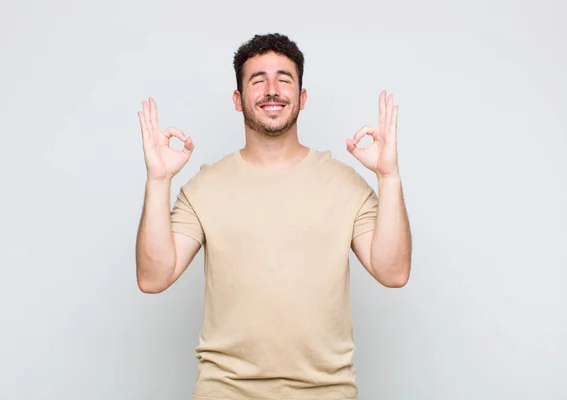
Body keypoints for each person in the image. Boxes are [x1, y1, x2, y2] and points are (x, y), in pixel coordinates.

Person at [135, 33, 412, 400]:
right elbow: (153, 278)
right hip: (225, 392)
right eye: (257, 79)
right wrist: (158, 180)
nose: (272, 89)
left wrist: (389, 177)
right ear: (238, 99)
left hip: (326, 392)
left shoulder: (346, 185)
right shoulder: (204, 187)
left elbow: (393, 272)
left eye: (284, 79)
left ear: (302, 97)